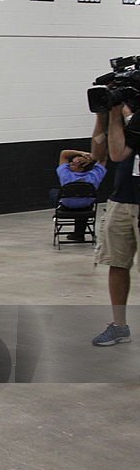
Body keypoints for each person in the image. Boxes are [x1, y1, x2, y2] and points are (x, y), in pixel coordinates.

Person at [95, 104, 140, 346]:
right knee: (117, 263)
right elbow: (101, 154)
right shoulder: (124, 120)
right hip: (122, 199)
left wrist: (124, 115)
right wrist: (105, 117)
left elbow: (118, 154)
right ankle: (119, 325)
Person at [55, 146, 106, 240]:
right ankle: (79, 233)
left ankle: (78, 234)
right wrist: (91, 158)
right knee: (83, 199)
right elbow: (104, 158)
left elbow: (64, 153)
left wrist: (82, 153)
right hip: (86, 206)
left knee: (54, 192)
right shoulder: (94, 176)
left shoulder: (66, 175)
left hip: (67, 206)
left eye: (73, 164)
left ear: (81, 168)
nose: (70, 164)